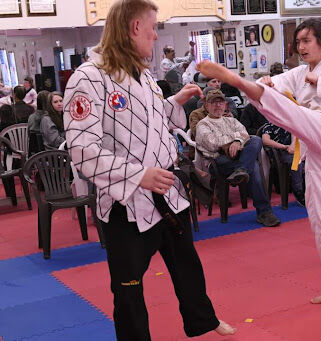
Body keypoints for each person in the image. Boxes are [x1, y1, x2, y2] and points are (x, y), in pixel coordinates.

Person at [63, 1, 235, 339]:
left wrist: (176, 102)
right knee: (128, 289)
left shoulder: (142, 74)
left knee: (187, 263)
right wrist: (137, 175)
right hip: (125, 201)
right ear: (134, 28)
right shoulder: (89, 77)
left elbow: (150, 123)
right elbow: (82, 150)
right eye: (153, 28)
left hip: (166, 189)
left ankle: (203, 321)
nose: (157, 36)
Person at [197, 18, 321, 304]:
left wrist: (320, 81)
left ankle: (238, 82)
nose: (302, 47)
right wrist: (266, 83)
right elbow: (277, 84)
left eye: (307, 41)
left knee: (293, 113)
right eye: (298, 42)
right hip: (314, 146)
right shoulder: (299, 72)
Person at [195, 89, 281, 227]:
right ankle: (264, 212)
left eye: (220, 102)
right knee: (253, 167)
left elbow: (245, 134)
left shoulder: (231, 120)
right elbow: (213, 143)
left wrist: (238, 142)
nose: (218, 106)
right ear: (206, 106)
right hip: (218, 161)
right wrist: (235, 139)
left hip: (239, 158)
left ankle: (242, 170)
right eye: (213, 103)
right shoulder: (203, 124)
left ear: (225, 105)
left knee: (256, 140)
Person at [261, 121, 305, 206]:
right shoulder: (268, 126)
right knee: (296, 162)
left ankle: (314, 191)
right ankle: (299, 191)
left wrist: (292, 145)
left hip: (295, 148)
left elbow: (294, 133)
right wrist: (284, 147)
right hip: (280, 152)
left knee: (313, 158)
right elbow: (265, 141)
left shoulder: (288, 122)